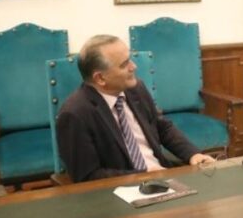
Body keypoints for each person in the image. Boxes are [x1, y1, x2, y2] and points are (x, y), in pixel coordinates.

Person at [55, 35, 214, 182]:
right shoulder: (74, 114)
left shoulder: (136, 89)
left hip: (162, 176)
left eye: (130, 59)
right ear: (100, 78)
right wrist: (143, 175)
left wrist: (193, 154)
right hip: (119, 192)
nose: (134, 66)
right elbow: (87, 176)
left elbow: (162, 128)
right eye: (125, 64)